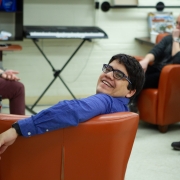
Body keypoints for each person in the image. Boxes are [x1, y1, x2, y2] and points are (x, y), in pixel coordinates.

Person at [0, 53, 145, 158]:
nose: (108, 75)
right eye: (108, 69)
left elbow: (71, 109)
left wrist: (17, 129)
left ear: (130, 92)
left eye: (119, 75)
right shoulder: (123, 109)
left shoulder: (106, 101)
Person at [129, 15, 180, 112]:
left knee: (140, 78)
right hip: (156, 69)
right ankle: (127, 103)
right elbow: (155, 51)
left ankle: (130, 104)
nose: (177, 27)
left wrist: (176, 40)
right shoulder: (168, 39)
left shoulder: (174, 39)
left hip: (168, 77)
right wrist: (146, 60)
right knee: (133, 71)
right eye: (177, 23)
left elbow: (177, 59)